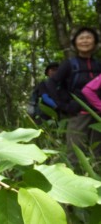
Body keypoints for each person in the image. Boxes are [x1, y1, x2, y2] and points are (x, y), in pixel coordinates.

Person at [46, 26, 101, 166]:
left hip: (98, 114)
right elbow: (52, 83)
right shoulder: (69, 64)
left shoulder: (98, 64)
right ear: (75, 43)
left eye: (89, 38)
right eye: (81, 38)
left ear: (95, 42)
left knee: (98, 153)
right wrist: (63, 105)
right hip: (78, 115)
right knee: (75, 153)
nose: (85, 41)